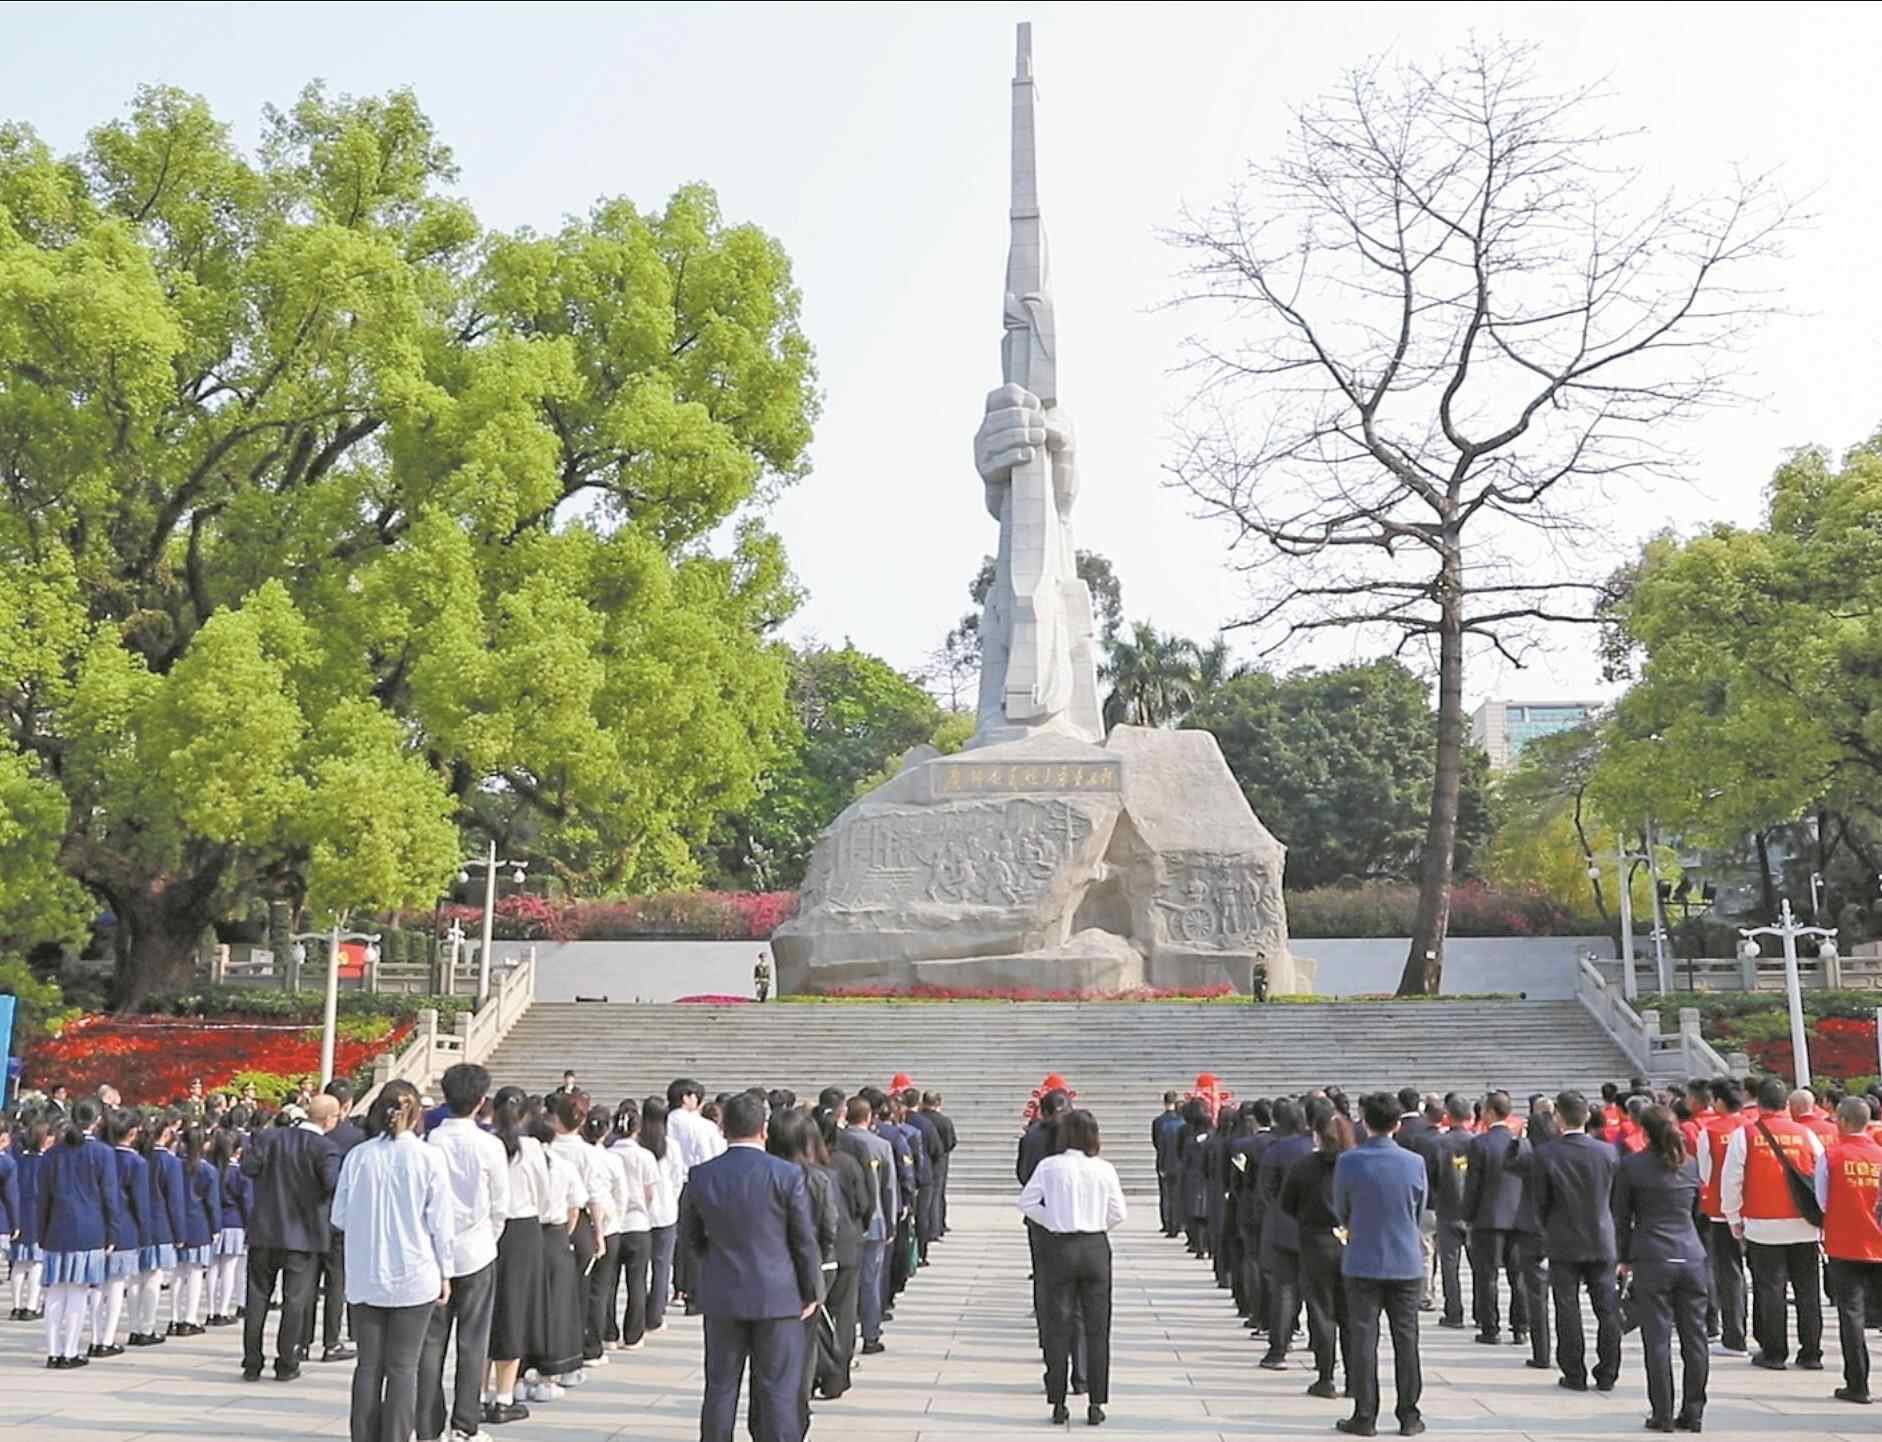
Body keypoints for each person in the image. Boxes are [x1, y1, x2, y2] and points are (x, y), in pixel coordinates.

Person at [681, 1092, 823, 1442]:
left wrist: (708, 1269)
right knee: (777, 1388)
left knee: (720, 1387)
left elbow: (690, 1238)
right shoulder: (787, 1175)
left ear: (723, 1127)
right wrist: (812, 1291)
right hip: (778, 1294)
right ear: (764, 1130)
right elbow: (803, 1241)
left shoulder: (701, 1175)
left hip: (724, 1294)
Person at [332, 1079, 454, 1442]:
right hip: (415, 1272)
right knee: (403, 1368)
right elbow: (441, 1225)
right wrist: (446, 1272)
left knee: (368, 1366)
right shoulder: (428, 1158)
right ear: (417, 1113)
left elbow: (338, 1215)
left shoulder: (359, 1157)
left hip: (366, 1273)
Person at [1017, 1108, 1126, 1428]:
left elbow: (1026, 1203)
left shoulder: (1050, 1166)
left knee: (1058, 1323)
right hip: (1094, 1246)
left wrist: (1053, 1221)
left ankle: (1059, 1401)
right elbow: (1119, 1213)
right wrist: (1096, 1225)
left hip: (1060, 1247)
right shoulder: (1104, 1169)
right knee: (1097, 1326)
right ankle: (1095, 1401)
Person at [417, 1063, 508, 1442]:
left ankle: (428, 1425)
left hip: (435, 1253)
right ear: (481, 1102)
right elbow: (500, 1206)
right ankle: (465, 1425)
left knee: (431, 1344)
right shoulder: (490, 1146)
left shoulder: (428, 1144)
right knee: (474, 1341)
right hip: (477, 1250)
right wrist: (488, 1237)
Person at [1331, 1093, 1428, 1438]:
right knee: (1407, 1340)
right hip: (1405, 1260)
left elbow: (1339, 1208)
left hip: (1363, 1258)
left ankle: (1365, 1414)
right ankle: (1409, 1415)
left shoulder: (1349, 1161)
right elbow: (1418, 1208)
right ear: (1397, 1124)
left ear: (1364, 1121)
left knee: (1363, 1339)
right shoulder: (1414, 1162)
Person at [1614, 1104, 1710, 1432]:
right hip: (1690, 1253)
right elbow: (1697, 1211)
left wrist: (1623, 1257)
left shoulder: (1632, 1166)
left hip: (1652, 1254)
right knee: (1694, 1338)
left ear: (1644, 1131)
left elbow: (1621, 1217)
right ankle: (1694, 1412)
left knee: (1657, 1339)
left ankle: (1663, 1412)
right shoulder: (1690, 1165)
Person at [1722, 1077, 1825, 1370]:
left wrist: (1733, 1218)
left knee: (1770, 1290)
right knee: (1808, 1290)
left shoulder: (1746, 1135)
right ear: (1786, 1105)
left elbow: (1732, 1182)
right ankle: (1811, 1352)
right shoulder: (1806, 1135)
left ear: (1757, 1102)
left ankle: (1774, 1352)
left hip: (1763, 1225)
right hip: (1805, 1224)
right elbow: (1822, 1178)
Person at [240, 1091, 341, 1382]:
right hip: (304, 1234)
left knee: (257, 1297)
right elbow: (331, 1184)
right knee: (295, 1301)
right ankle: (286, 1361)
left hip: (265, 1229)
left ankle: (252, 1361)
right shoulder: (325, 1148)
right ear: (329, 1118)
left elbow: (249, 1168)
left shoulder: (271, 1138)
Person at [1531, 1090, 1621, 1392]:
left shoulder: (1546, 1154)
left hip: (1563, 1238)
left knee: (1567, 1307)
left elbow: (1539, 1202)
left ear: (1558, 1117)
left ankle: (1574, 1371)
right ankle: (1608, 1371)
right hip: (1601, 1236)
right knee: (1607, 1308)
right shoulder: (1608, 1152)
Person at [36, 1098, 119, 1369]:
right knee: (78, 1293)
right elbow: (110, 1197)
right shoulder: (104, 1153)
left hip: (56, 1228)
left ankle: (53, 1351)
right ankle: (70, 1351)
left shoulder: (52, 1154)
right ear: (97, 1121)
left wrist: (41, 1230)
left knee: (56, 1293)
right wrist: (112, 1233)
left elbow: (43, 1198)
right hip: (90, 1229)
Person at [482, 1087, 545, 1427]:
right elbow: (544, 1192)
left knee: (484, 1313)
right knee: (514, 1311)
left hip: (487, 1229)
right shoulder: (531, 1147)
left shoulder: (484, 1142)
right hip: (522, 1228)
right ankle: (504, 1396)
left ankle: (476, 1394)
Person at [1282, 1102, 1353, 1401]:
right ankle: (1356, 1379)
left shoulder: (1304, 1166)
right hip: (1351, 1240)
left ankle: (1326, 1377)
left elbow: (1287, 1203)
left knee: (1322, 1312)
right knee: (1351, 1315)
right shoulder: (1355, 1162)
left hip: (1316, 1241)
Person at [1814, 1095, 1882, 1404]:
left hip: (1845, 1243)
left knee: (1851, 1316)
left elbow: (1822, 1201)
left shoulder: (1831, 1156)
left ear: (1841, 1121)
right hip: (1879, 1243)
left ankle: (1858, 1383)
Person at [814, 1106, 873, 1400]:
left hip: (816, 1249)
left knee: (814, 1316)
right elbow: (865, 1203)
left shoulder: (806, 1164)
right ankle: (838, 1376)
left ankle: (812, 1374)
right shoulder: (848, 1163)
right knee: (845, 1315)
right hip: (847, 1243)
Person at [1462, 1090, 1527, 1346]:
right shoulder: (1523, 1143)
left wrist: (1467, 1215)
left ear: (1489, 1112)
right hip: (1518, 1218)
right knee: (1517, 1275)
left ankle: (1491, 1328)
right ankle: (1521, 1327)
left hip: (1488, 1218)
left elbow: (1472, 1185)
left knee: (1487, 1276)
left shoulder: (1480, 1144)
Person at [1256, 1097, 1314, 1369]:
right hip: (1315, 1228)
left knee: (1285, 1289)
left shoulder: (1276, 1150)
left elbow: (1265, 1189)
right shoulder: (1314, 1146)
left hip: (1284, 1226)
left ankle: (1279, 1348)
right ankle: (1323, 1353)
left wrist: (1280, 1210)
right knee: (1319, 1293)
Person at [836, 1095, 895, 1358]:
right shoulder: (881, 1145)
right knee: (871, 1281)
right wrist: (890, 1221)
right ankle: (871, 1334)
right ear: (869, 1117)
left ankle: (839, 1336)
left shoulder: (836, 1142)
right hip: (874, 1220)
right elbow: (888, 1187)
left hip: (843, 1222)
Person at [1696, 1078, 1749, 1356]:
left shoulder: (1711, 1131)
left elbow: (1705, 1174)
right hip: (1755, 1210)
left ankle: (1734, 1335)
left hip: (1720, 1210)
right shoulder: (1751, 1127)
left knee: (1728, 1273)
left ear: (1717, 1101)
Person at [607, 1102, 658, 1352]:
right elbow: (650, 1192)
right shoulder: (645, 1156)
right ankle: (633, 1333)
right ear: (637, 1130)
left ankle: (607, 1331)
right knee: (637, 1282)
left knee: (608, 1282)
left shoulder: (608, 1154)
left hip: (612, 1224)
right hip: (638, 1223)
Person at [92, 1109, 143, 1358]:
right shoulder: (135, 1162)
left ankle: (94, 1336)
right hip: (125, 1227)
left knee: (97, 1287)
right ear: (132, 1134)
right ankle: (107, 1338)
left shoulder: (101, 1155)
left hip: (98, 1225)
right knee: (116, 1286)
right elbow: (140, 1202)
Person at [637, 1097, 685, 1336]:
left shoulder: (636, 1143)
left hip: (639, 1214)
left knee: (638, 1270)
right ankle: (654, 1315)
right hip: (665, 1212)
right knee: (661, 1265)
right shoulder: (671, 1146)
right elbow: (678, 1178)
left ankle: (636, 1316)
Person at [170, 1123, 222, 1336]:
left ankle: (173, 1317)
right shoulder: (208, 1170)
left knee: (177, 1273)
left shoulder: (175, 1165)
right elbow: (212, 1202)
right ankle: (189, 1318)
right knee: (194, 1273)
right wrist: (216, 1227)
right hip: (199, 1223)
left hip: (177, 1222)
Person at [1430, 1096, 1473, 1329]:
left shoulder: (1439, 1144)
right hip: (1474, 1212)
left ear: (1448, 1115)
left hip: (1447, 1209)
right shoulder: (1478, 1142)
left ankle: (1454, 1312)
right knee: (1481, 1267)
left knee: (1449, 1265)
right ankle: (1484, 1314)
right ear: (1470, 1117)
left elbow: (1432, 1177)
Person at [921, 1092, 957, 1239]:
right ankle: (936, 1226)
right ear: (938, 1103)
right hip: (940, 1160)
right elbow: (951, 1142)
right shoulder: (944, 1121)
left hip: (923, 1158)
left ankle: (930, 1225)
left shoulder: (919, 1119)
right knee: (937, 1193)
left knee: (927, 1195)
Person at [1152, 1091, 1185, 1238]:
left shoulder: (1158, 1122)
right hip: (1180, 1161)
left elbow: (1156, 1142)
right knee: (1178, 1195)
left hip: (1165, 1159)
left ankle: (1167, 1222)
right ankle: (1178, 1223)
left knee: (1165, 1194)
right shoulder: (1182, 1123)